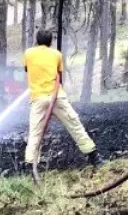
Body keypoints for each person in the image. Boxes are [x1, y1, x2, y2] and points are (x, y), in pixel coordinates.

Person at [23, 30, 101, 168]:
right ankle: (93, 157)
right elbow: (59, 74)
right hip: (57, 97)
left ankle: (31, 165)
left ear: (36, 40)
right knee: (75, 125)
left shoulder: (28, 53)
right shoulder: (57, 55)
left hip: (38, 99)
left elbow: (27, 69)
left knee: (35, 133)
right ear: (51, 41)